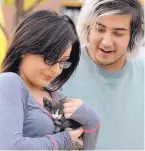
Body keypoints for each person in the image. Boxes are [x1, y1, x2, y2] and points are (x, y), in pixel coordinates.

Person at [0, 10, 100, 150]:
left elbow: (79, 146)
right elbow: (10, 147)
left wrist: (92, 121)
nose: (57, 70)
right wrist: (64, 140)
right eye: (50, 58)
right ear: (25, 48)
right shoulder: (9, 83)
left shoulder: (52, 97)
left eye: (63, 62)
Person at [63, 0, 144, 150]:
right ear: (88, 27)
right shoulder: (61, 67)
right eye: (100, 29)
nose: (106, 42)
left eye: (118, 33)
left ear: (133, 36)